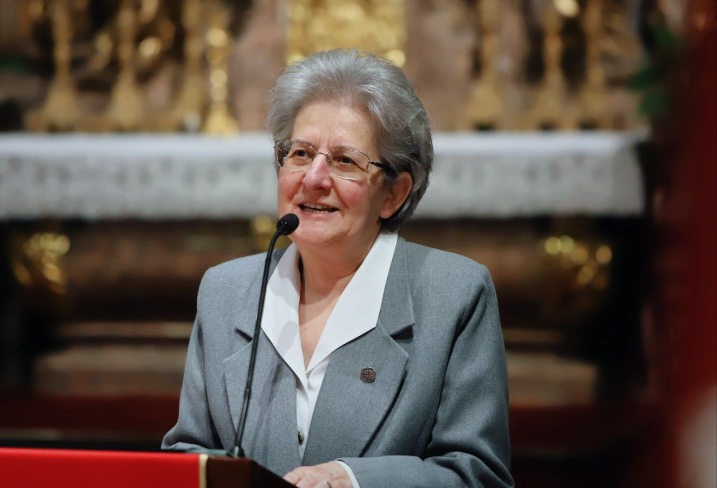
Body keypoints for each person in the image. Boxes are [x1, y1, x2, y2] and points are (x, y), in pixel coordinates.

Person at [162, 48, 513, 488]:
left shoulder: (455, 294)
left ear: (393, 194)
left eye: (345, 160)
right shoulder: (226, 290)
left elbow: (478, 475)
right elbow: (189, 456)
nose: (313, 178)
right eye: (300, 153)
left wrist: (353, 480)